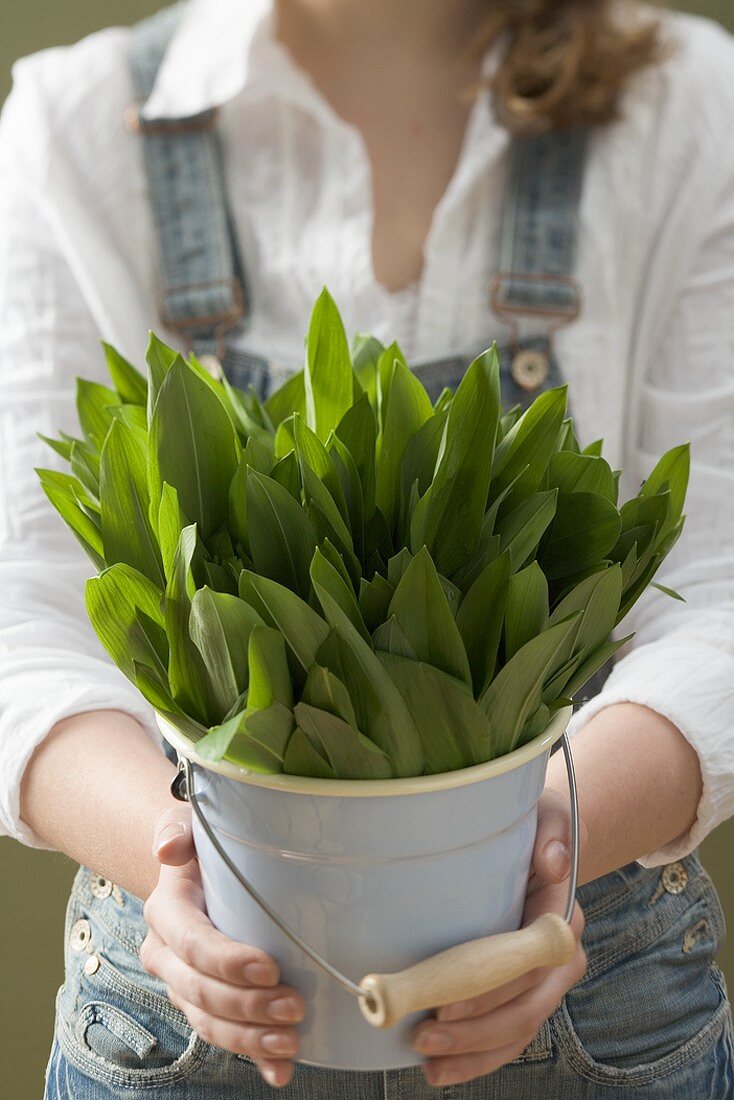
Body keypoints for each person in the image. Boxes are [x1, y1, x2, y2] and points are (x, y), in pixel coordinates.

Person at [1, 0, 733, 1096]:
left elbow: (719, 585)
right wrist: (181, 858)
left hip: (586, 975)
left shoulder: (685, 103)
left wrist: (538, 848)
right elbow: (22, 613)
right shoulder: (76, 125)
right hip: (190, 993)